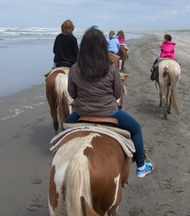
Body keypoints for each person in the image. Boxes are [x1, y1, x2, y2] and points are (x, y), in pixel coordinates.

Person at [64, 26, 154, 178]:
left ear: (83, 48)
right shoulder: (112, 68)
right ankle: (140, 165)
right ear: (102, 47)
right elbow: (117, 93)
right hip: (109, 112)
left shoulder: (74, 68)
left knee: (63, 132)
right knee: (136, 128)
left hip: (81, 113)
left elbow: (72, 93)